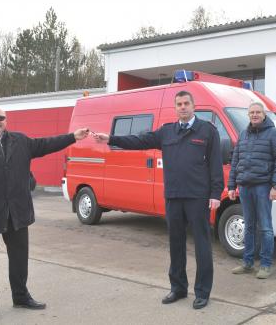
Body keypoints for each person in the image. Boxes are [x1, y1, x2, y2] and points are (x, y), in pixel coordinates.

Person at [0, 106, 90, 321]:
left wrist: (73, 137)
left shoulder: (20, 141)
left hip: (17, 212)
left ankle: (21, 296)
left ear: (6, 121)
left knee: (19, 258)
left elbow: (46, 144)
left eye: (0, 118)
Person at [93, 90, 224, 310]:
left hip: (197, 196)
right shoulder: (167, 132)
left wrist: (215, 194)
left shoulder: (208, 131)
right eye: (179, 104)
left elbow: (215, 165)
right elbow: (139, 140)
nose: (182, 107)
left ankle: (202, 292)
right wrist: (112, 138)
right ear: (175, 108)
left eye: (186, 103)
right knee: (176, 244)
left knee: (202, 244)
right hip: (173, 196)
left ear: (193, 106)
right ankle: (178, 288)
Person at [228, 102, 276, 279]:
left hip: (263, 186)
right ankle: (248, 263)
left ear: (264, 114)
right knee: (249, 226)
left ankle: (266, 264)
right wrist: (231, 185)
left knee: (266, 227)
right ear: (248, 115)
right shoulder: (243, 134)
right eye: (251, 112)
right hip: (245, 186)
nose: (254, 115)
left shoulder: (274, 133)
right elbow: (235, 160)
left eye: (257, 112)